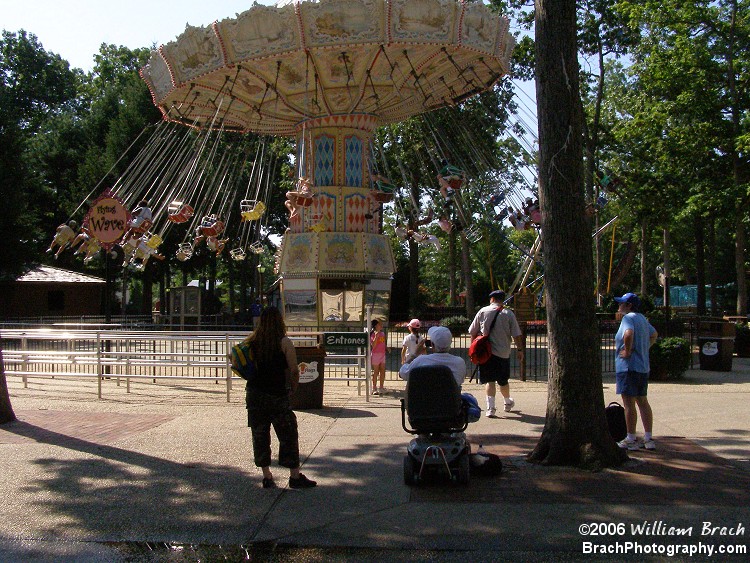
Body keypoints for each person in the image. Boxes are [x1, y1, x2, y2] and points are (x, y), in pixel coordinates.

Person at [242, 307, 317, 489]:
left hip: (254, 395)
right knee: (288, 433)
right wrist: (294, 387)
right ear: (279, 321)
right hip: (276, 394)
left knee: (259, 434)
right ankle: (294, 475)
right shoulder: (284, 342)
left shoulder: (252, 342)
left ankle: (267, 475)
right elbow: (293, 369)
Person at [468, 290, 524, 417]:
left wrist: (474, 349)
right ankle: (507, 401)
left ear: (492, 299)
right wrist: (520, 350)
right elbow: (516, 334)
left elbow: (473, 331)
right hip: (503, 352)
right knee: (503, 381)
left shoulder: (482, 311)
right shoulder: (508, 313)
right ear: (502, 299)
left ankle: (490, 408)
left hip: (485, 353)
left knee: (490, 381)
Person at [614, 292, 658, 450]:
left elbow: (628, 334)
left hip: (628, 367)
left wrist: (627, 351)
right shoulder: (642, 319)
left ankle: (631, 438)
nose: (619, 306)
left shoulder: (628, 318)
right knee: (642, 401)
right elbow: (654, 334)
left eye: (621, 303)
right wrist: (645, 348)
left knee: (628, 403)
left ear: (629, 305)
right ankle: (648, 438)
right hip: (643, 367)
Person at [399, 326, 466, 388]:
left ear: (432, 344)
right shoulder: (459, 363)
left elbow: (402, 373)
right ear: (450, 342)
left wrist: (415, 354)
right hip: (450, 399)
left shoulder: (421, 361)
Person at [370, 319, 387, 395]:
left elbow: (382, 343)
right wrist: (376, 336)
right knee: (376, 371)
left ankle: (381, 387)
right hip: (375, 354)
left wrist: (386, 348)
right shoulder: (373, 334)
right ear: (376, 326)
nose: (381, 326)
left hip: (382, 354)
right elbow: (373, 345)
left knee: (382, 370)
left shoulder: (383, 334)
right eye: (380, 324)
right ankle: (374, 387)